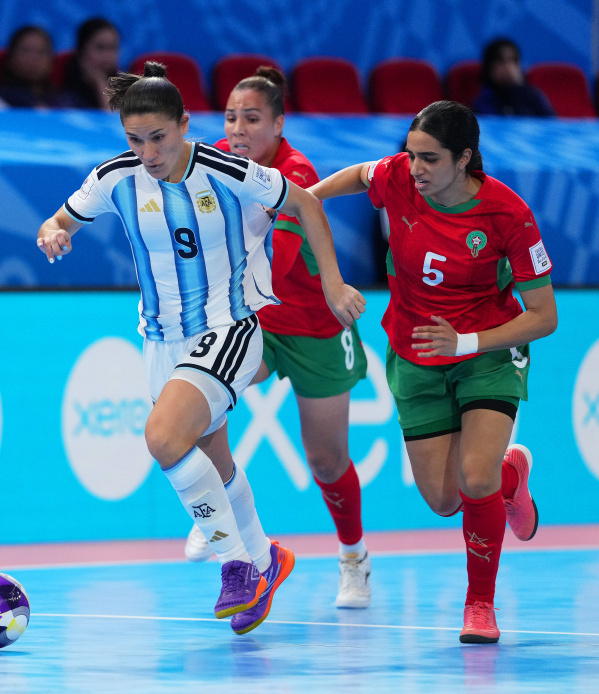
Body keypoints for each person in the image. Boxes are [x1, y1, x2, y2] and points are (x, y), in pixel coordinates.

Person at [36, 62, 365, 635]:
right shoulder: (115, 177)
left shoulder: (227, 170)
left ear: (185, 125)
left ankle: (236, 563)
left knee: (164, 437)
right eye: (135, 140)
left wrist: (334, 284)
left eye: (158, 137)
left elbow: (307, 205)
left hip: (229, 326)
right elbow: (61, 217)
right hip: (160, 341)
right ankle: (266, 557)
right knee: (212, 457)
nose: (148, 152)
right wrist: (54, 232)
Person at [309, 100, 557, 643]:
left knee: (474, 478)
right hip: (417, 353)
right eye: (411, 154)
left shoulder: (507, 215)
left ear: (465, 158)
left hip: (487, 353)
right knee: (446, 500)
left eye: (430, 158)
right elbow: (359, 174)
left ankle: (480, 606)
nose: (415, 167)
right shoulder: (400, 177)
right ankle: (511, 476)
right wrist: (308, 200)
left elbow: (545, 317)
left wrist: (466, 341)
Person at [181, 66, 372, 609]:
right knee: (199, 401)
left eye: (252, 119)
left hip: (314, 327)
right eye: (231, 117)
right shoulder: (217, 157)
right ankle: (220, 513)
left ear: (280, 124)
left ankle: (354, 557)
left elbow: (280, 264)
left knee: (328, 461)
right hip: (260, 324)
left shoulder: (296, 172)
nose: (237, 129)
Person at [472, 38, 554, 117]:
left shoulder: (532, 95)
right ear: (489, 67)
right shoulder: (483, 99)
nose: (508, 67)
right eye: (501, 61)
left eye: (513, 60)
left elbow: (551, 124)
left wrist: (519, 89)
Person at [0, 25, 69, 108]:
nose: (34, 58)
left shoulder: (63, 100)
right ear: (10, 58)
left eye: (42, 51)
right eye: (26, 51)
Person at [62, 17, 119, 109]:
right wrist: (100, 83)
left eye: (112, 48)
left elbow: (119, 122)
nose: (107, 56)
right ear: (81, 51)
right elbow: (111, 120)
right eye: (100, 47)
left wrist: (101, 84)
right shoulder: (64, 96)